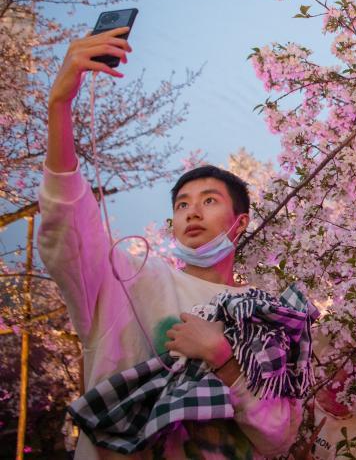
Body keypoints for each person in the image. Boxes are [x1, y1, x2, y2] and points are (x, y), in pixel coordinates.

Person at [38, 29, 301, 457]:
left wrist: (224, 359)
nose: (192, 212)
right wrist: (59, 107)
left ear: (240, 223)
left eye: (209, 201)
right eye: (182, 205)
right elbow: (67, 227)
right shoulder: (129, 282)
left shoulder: (269, 312)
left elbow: (279, 437)